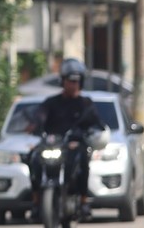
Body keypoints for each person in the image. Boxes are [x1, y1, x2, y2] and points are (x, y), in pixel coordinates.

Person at [34, 57, 109, 218]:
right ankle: (36, 202)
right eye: (69, 81)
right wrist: (36, 125)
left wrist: (93, 131)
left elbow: (97, 123)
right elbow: (40, 116)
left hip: (75, 146)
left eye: (76, 81)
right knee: (34, 159)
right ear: (63, 81)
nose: (72, 84)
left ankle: (83, 201)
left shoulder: (86, 104)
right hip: (54, 146)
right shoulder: (51, 102)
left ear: (81, 82)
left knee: (83, 160)